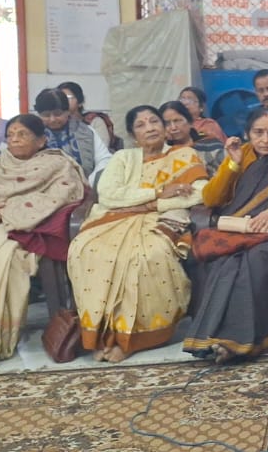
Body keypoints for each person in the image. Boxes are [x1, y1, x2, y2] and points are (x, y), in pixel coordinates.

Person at [68, 105, 208, 363]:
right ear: (133, 136)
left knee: (144, 256)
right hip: (115, 219)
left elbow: (200, 193)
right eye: (141, 125)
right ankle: (105, 336)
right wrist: (157, 193)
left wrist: (152, 205)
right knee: (85, 248)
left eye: (154, 121)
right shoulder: (123, 158)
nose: (150, 128)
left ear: (164, 128)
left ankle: (133, 339)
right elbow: (109, 195)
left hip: (160, 219)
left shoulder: (184, 155)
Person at [183, 108, 268, 363]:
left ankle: (250, 339)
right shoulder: (241, 153)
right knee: (225, 261)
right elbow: (211, 199)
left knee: (256, 259)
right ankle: (216, 337)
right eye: (259, 133)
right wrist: (233, 164)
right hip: (240, 229)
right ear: (248, 133)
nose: (266, 140)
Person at [0, 115, 85, 369]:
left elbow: (65, 196)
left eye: (22, 134)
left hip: (28, 232)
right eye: (11, 134)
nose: (14, 139)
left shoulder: (57, 165)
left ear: (41, 140)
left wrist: (7, 213)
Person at [35, 88, 111, 183]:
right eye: (46, 115)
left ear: (67, 111)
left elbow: (104, 159)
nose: (52, 119)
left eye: (58, 114)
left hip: (85, 185)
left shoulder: (86, 132)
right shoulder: (33, 134)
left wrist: (91, 181)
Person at [160, 100, 225, 176]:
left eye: (177, 121)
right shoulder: (166, 158)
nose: (173, 127)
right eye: (167, 124)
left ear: (190, 122)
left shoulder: (210, 144)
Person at [58, 81, 121, 153]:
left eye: (67, 97)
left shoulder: (94, 121)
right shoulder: (54, 124)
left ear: (80, 102)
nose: (63, 101)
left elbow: (102, 149)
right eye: (60, 98)